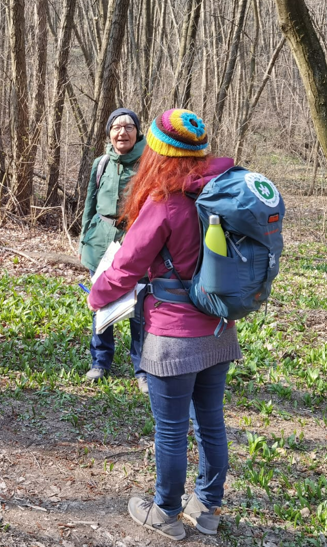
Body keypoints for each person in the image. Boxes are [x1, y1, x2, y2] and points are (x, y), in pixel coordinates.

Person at [88, 109, 242, 540]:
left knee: (172, 430)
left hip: (173, 335)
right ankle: (208, 508)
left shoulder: (165, 201)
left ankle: (166, 513)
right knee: (211, 422)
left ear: (158, 151)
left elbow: (125, 268)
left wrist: (95, 295)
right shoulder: (222, 193)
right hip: (219, 328)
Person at [79, 108, 147, 392]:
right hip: (102, 241)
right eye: (117, 127)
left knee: (139, 306)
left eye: (128, 126)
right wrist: (85, 238)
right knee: (101, 302)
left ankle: (143, 368)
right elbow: (89, 205)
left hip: (138, 240)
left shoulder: (149, 164)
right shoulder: (101, 163)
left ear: (138, 132)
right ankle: (100, 361)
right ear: (109, 133)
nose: (122, 132)